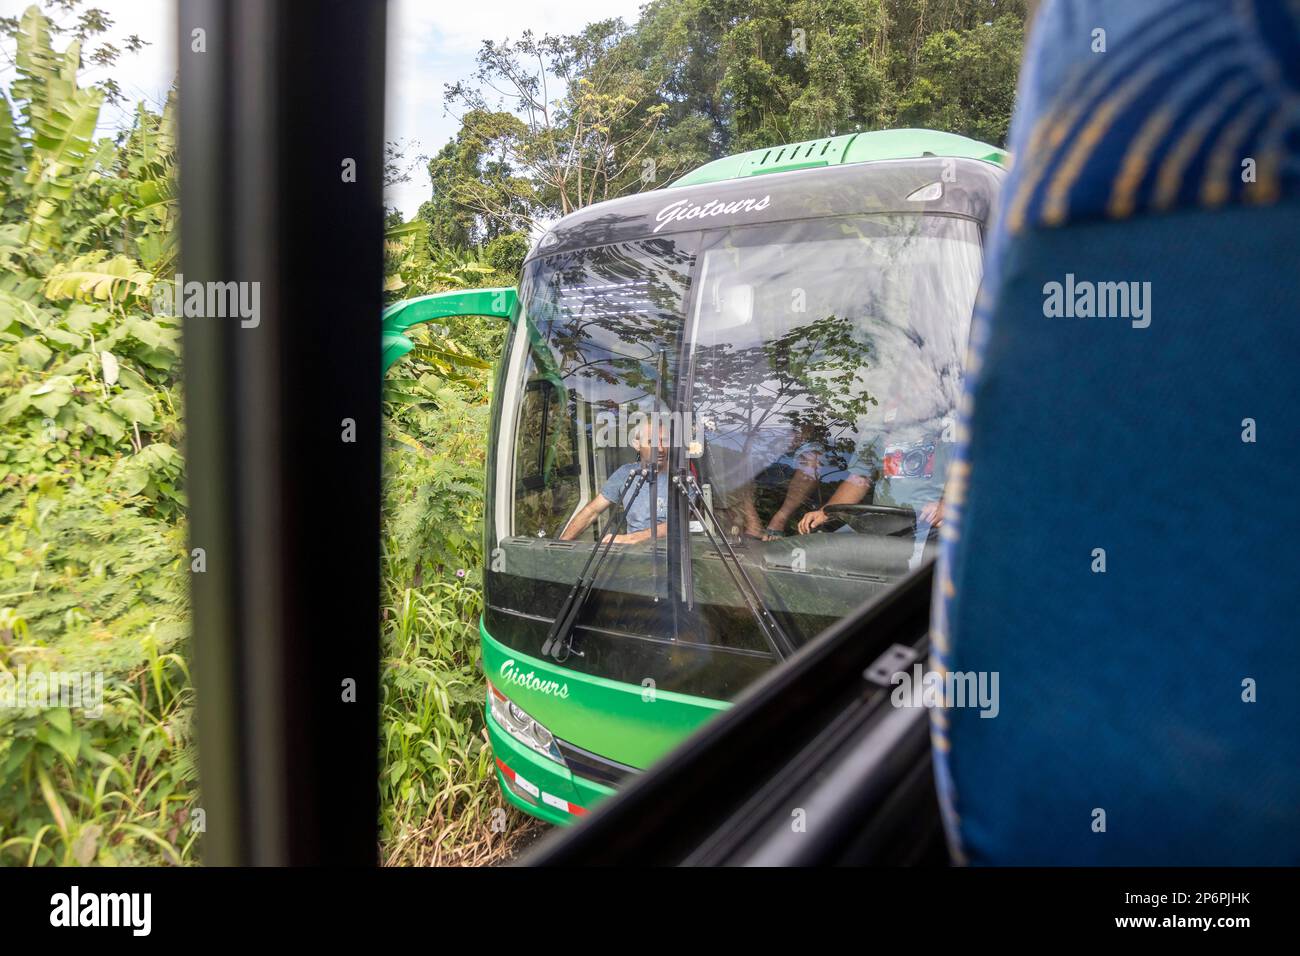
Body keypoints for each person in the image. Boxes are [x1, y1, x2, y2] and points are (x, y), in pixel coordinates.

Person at [797, 424, 950, 570]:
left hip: (930, 529)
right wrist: (824, 513)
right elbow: (860, 478)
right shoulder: (881, 430)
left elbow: (970, 472)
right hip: (881, 525)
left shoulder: (954, 423)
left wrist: (949, 504)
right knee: (823, 555)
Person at [559, 418, 670, 544]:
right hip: (635, 555)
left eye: (664, 441)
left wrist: (631, 538)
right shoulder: (625, 473)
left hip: (668, 556)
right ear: (637, 445)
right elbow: (592, 511)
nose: (661, 449)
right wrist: (561, 544)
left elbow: (676, 525)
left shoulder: (681, 478)